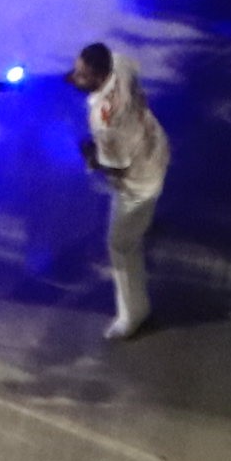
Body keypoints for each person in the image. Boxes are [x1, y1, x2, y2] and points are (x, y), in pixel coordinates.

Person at [78, 39, 172, 341]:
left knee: (120, 244)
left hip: (139, 181)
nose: (76, 78)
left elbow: (116, 166)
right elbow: (130, 65)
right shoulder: (118, 65)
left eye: (82, 75)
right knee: (138, 222)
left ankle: (134, 314)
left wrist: (92, 158)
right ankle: (144, 222)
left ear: (97, 77)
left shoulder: (106, 121)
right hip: (155, 144)